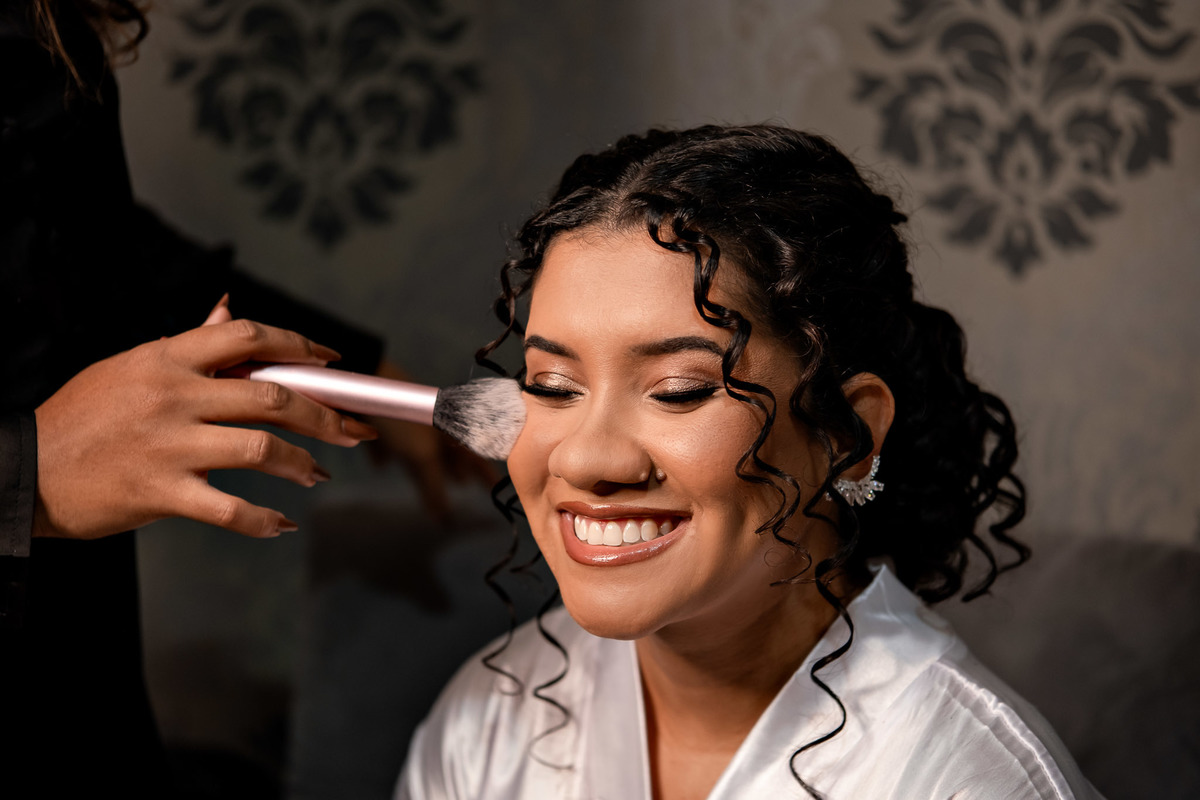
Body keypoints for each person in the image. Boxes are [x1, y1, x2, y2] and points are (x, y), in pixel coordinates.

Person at [395, 126, 1104, 799]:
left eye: (680, 391)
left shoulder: (967, 777)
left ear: (847, 432)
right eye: (552, 386)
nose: (586, 458)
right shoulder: (487, 724)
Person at [1, 1, 487, 795]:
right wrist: (29, 476)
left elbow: (90, 241)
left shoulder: (45, 23)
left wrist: (356, 370)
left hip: (79, 669)